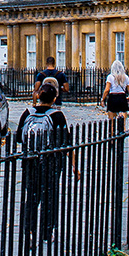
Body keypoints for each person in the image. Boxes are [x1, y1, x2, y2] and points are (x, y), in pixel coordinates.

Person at [15, 83, 80, 242]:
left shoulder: (27, 113)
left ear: (38, 96)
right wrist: (74, 166)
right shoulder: (57, 116)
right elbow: (66, 143)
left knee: (31, 196)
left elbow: (18, 138)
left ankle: (28, 230)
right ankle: (47, 231)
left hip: (30, 162)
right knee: (49, 197)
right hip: (51, 164)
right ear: (54, 99)